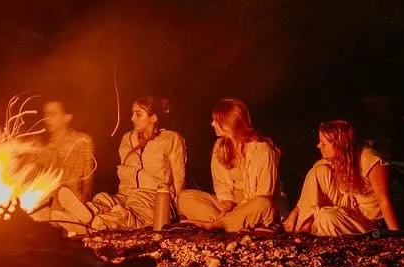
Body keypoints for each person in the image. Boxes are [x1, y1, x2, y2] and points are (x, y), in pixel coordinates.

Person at [61, 96, 186, 232]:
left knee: (127, 215)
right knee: (104, 199)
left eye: (138, 114)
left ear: (153, 117)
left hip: (152, 199)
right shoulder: (127, 138)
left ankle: (96, 223)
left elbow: (179, 179)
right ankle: (86, 212)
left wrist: (179, 212)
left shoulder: (171, 139)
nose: (132, 118)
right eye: (132, 113)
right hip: (125, 194)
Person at [178, 98, 281, 232]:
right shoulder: (220, 147)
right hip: (230, 206)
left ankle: (216, 225)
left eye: (217, 120)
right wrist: (228, 205)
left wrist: (239, 209)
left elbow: (265, 192)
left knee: (264, 203)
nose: (212, 123)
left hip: (252, 206)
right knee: (185, 197)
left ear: (229, 122)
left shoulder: (262, 149)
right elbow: (221, 185)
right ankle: (226, 224)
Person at [284, 119, 401, 236]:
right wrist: (295, 212)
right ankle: (303, 229)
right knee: (318, 171)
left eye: (323, 143)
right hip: (348, 206)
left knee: (326, 217)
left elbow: (383, 200)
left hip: (367, 220)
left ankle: (311, 230)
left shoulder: (369, 159)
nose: (318, 146)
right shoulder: (337, 159)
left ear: (338, 145)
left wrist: (395, 234)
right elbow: (310, 192)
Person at [30, 98, 96, 224]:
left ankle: (79, 221)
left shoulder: (82, 141)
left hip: (71, 205)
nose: (47, 119)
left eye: (53, 114)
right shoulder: (40, 146)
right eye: (46, 114)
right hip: (46, 206)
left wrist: (82, 204)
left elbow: (87, 181)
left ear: (68, 117)